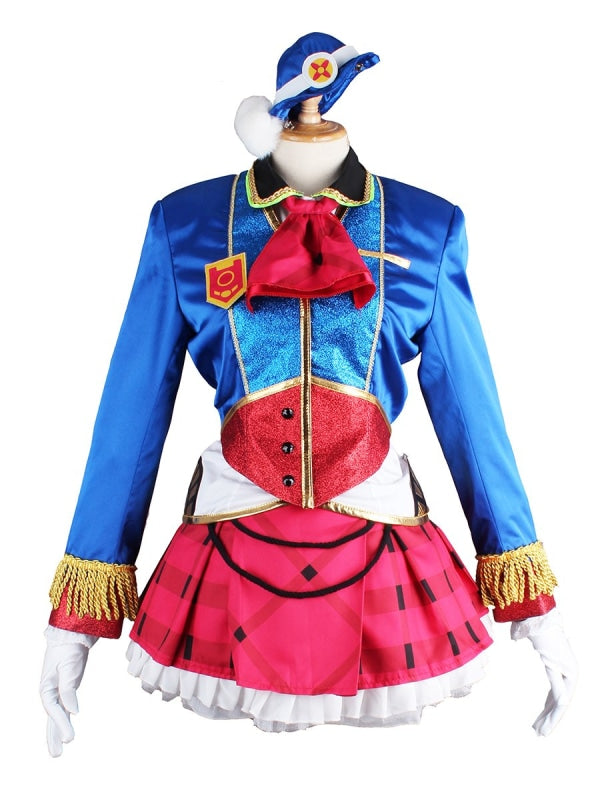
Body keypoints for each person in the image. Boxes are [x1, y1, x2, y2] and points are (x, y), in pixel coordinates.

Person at [40, 32, 576, 756]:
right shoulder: (186, 222)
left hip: (383, 551)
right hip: (227, 548)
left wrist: (534, 607)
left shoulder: (428, 226)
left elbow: (472, 416)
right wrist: (75, 624)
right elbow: (130, 416)